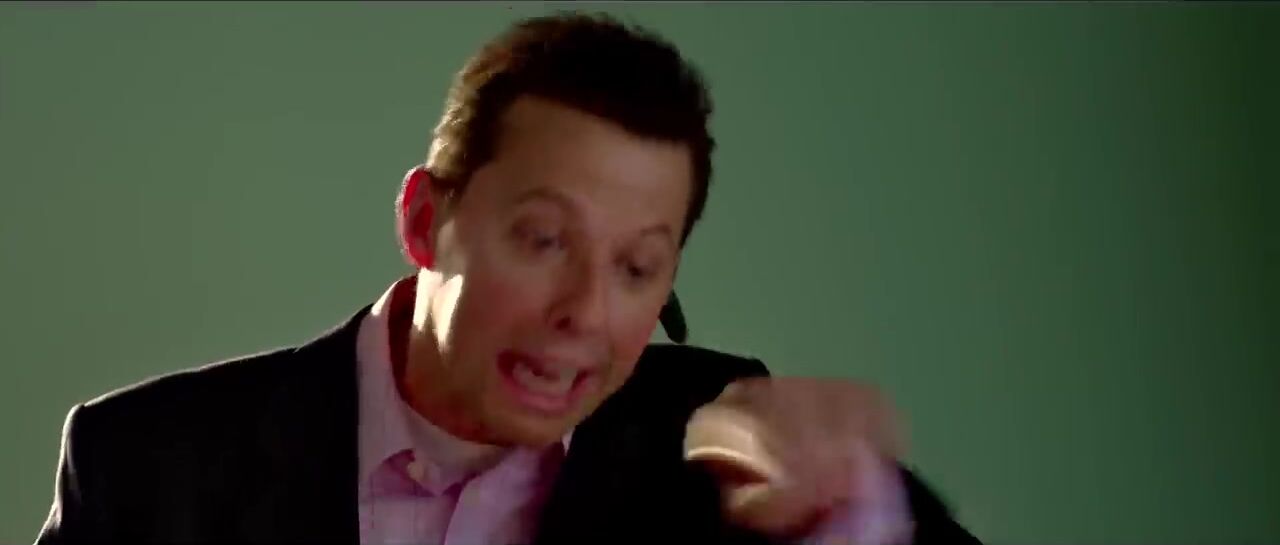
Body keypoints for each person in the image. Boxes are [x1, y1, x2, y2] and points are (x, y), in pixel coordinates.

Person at [35, 12, 980, 545]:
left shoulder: (723, 454)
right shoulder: (145, 467)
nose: (586, 314)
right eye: (545, 240)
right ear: (424, 221)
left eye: (637, 267)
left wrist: (854, 513)